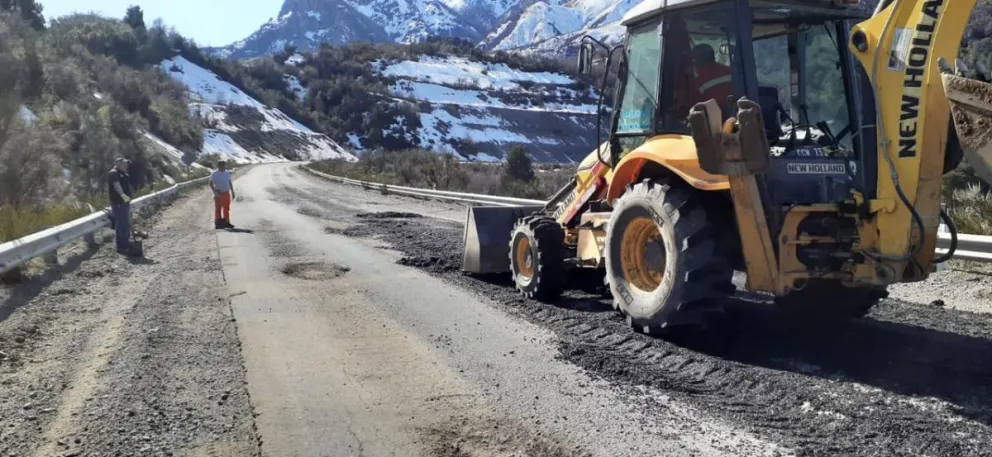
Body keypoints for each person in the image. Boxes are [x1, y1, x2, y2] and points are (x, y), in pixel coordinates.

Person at [691, 44, 734, 110]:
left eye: (693, 60)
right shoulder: (730, 71)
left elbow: (696, 109)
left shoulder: (698, 83)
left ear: (698, 60)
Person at [108, 158, 135, 254]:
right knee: (122, 224)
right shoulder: (113, 173)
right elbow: (116, 185)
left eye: (127, 164)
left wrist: (130, 196)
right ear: (118, 163)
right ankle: (121, 246)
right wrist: (122, 195)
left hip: (125, 203)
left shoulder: (124, 174)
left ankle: (126, 244)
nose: (126, 165)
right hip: (118, 203)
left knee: (126, 224)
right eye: (124, 163)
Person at [210, 160, 236, 229]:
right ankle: (218, 223)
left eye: (224, 165)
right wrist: (215, 192)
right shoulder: (215, 174)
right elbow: (211, 183)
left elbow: (229, 182)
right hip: (219, 194)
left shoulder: (227, 173)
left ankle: (226, 222)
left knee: (226, 209)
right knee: (218, 209)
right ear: (218, 166)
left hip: (226, 193)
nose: (223, 167)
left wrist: (232, 191)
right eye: (221, 165)